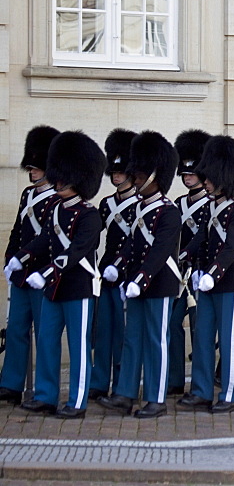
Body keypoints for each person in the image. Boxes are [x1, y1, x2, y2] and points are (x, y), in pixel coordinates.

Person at [12, 131, 105, 418]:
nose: (60, 182)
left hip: (77, 286)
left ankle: (77, 401)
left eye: (66, 178)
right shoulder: (55, 208)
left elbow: (76, 251)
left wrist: (48, 271)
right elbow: (44, 240)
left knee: (77, 347)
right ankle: (45, 395)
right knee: (47, 341)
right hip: (54, 288)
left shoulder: (90, 215)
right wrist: (21, 257)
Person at [97, 131, 181, 419]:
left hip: (158, 284)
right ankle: (125, 393)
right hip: (135, 283)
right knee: (132, 339)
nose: (134, 177)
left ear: (155, 175)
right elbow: (130, 244)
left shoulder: (169, 212)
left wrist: (141, 278)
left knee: (156, 340)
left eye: (141, 173)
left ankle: (157, 398)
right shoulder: (137, 208)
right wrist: (119, 268)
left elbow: (160, 251)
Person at [176, 136, 234, 413]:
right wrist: (183, 255)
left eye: (209, 178)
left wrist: (213, 272)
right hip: (205, 282)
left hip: (229, 281)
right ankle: (201, 390)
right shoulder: (211, 206)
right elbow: (201, 238)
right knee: (203, 338)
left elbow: (232, 247)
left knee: (230, 341)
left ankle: (230, 394)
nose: (204, 181)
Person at [0, 126, 61, 406]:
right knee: (16, 329)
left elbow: (48, 236)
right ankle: (11, 383)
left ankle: (44, 391)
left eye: (37, 168)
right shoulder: (28, 194)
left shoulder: (57, 198)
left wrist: (23, 258)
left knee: (45, 333)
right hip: (23, 273)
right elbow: (18, 228)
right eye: (31, 167)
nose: (32, 172)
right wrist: (9, 258)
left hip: (43, 272)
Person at [90, 129, 139, 400]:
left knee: (122, 334)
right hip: (105, 271)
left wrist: (121, 268)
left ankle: (121, 383)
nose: (116, 176)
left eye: (120, 172)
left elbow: (136, 242)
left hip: (127, 272)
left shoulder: (138, 204)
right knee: (103, 331)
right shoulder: (107, 204)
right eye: (114, 172)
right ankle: (98, 383)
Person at [169, 129, 212, 395]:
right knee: (173, 325)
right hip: (180, 274)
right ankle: (174, 380)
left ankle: (200, 383)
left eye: (192, 173)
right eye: (185, 174)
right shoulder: (177, 203)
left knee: (200, 329)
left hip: (201, 272)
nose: (187, 178)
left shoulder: (211, 204)